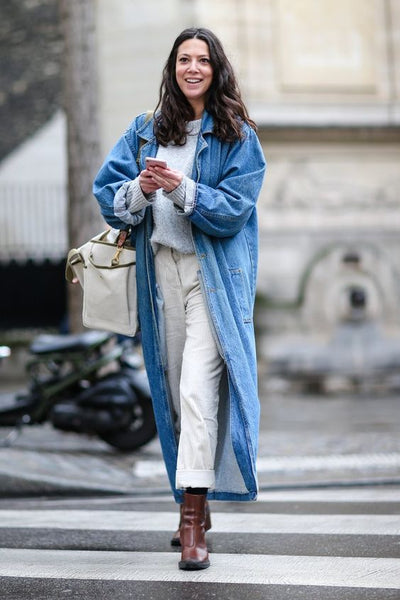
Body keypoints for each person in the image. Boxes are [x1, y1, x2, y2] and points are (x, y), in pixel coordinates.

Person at [93, 27, 266, 571]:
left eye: (204, 60)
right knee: (171, 393)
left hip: (212, 277)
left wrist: (180, 189)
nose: (193, 68)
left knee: (197, 390)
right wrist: (141, 189)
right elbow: (109, 195)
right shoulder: (144, 131)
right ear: (172, 68)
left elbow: (234, 209)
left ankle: (191, 522)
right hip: (158, 275)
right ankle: (197, 496)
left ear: (217, 70)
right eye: (184, 59)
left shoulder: (238, 134)